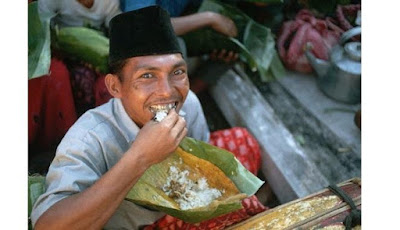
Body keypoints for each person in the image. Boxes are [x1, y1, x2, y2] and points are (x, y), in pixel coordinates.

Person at [31, 6, 265, 230]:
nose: (167, 91)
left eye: (177, 72)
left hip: (183, 205)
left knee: (243, 142)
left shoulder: (189, 103)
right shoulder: (90, 137)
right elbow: (47, 225)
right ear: (115, 87)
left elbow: (200, 168)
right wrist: (140, 157)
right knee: (235, 210)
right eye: (147, 76)